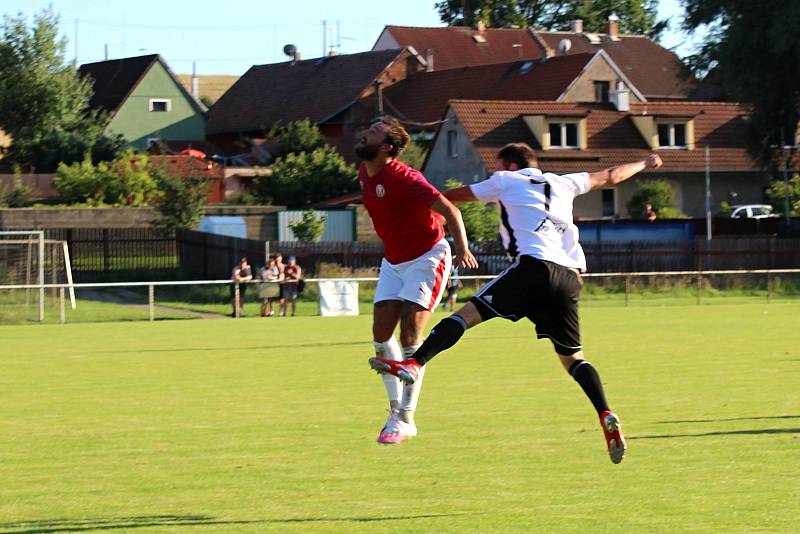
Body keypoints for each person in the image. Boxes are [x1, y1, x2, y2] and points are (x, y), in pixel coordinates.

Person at [370, 142, 663, 463]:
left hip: (532, 267)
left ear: (509, 165)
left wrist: (407, 196)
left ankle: (414, 363)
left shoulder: (506, 180)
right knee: (573, 358)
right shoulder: (566, 181)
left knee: (466, 315)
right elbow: (611, 176)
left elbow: (449, 198)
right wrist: (645, 162)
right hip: (569, 279)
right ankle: (604, 411)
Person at [356, 116, 478, 445]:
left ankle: (406, 418)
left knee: (411, 332)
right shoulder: (364, 174)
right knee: (381, 335)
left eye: (373, 132)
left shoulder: (406, 177)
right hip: (394, 262)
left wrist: (463, 248)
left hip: (428, 257)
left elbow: (451, 210)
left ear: (387, 147)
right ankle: (394, 410)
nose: (365, 133)